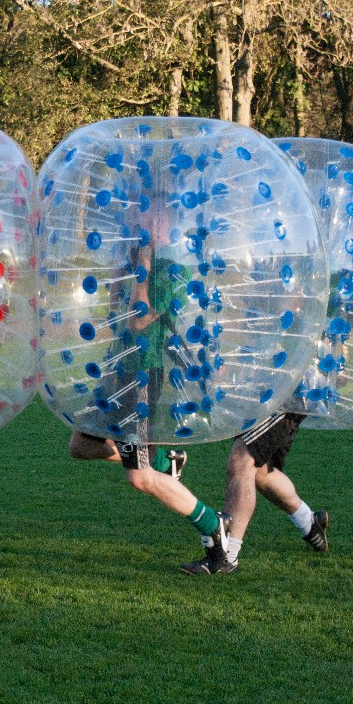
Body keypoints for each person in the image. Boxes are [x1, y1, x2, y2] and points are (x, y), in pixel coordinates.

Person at [68, 202, 231, 562]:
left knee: (139, 478)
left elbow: (139, 320)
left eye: (151, 217)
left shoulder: (171, 271)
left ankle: (215, 527)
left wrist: (141, 267)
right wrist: (124, 269)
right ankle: (164, 464)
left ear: (167, 224)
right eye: (137, 215)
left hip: (142, 376)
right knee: (80, 445)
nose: (140, 222)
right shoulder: (126, 264)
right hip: (115, 370)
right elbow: (114, 311)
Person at [179, 411, 328, 575]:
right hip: (270, 395)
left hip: (282, 399)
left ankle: (226, 556)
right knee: (260, 471)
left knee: (242, 461)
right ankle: (309, 520)